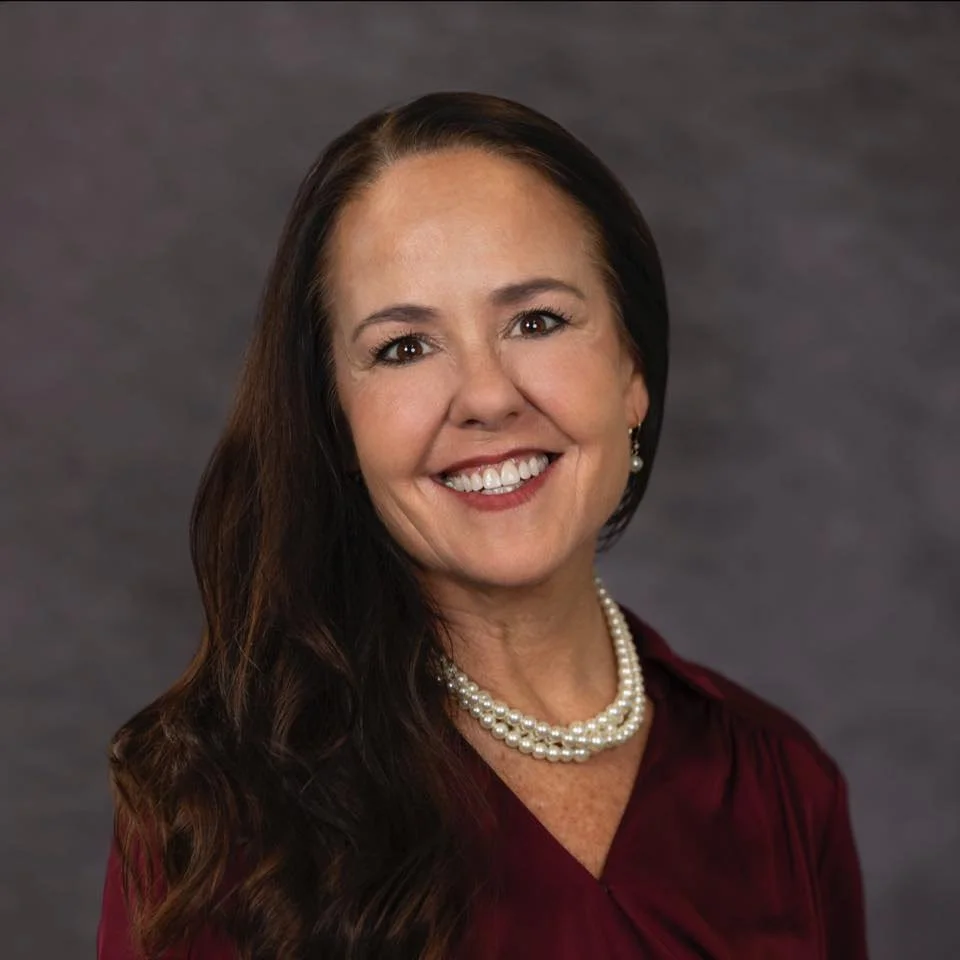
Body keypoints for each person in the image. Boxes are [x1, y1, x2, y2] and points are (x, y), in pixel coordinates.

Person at [96, 91, 868, 960]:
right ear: (339, 424)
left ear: (632, 374)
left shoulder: (780, 785)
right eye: (405, 347)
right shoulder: (221, 812)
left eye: (537, 322)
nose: (490, 395)